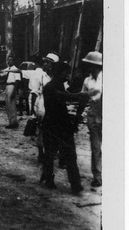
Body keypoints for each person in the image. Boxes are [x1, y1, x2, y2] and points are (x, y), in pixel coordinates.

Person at [41, 61, 87, 194]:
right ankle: (51, 179)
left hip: (59, 125)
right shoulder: (50, 87)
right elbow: (62, 96)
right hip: (53, 125)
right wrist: (79, 95)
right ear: (58, 73)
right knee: (53, 154)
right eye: (65, 73)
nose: (67, 75)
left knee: (67, 155)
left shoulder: (59, 85)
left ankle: (75, 184)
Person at [77, 51, 103, 188]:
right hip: (93, 113)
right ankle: (97, 176)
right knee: (95, 146)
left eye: (90, 65)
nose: (88, 68)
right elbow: (83, 99)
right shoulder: (87, 80)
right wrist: (77, 116)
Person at [0, 55, 22, 129]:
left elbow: (17, 81)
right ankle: (10, 122)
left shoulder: (16, 70)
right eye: (8, 60)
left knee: (12, 105)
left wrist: (14, 91)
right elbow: (1, 73)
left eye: (11, 60)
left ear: (14, 61)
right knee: (8, 105)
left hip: (12, 86)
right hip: (7, 86)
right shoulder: (8, 69)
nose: (9, 61)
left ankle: (14, 122)